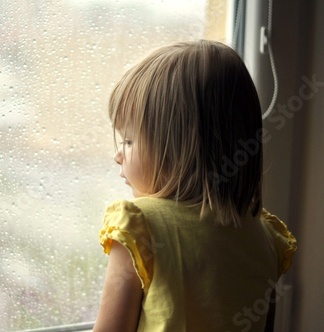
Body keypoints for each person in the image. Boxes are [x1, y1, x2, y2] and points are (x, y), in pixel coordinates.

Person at [93, 40, 297, 332]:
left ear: (177, 147)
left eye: (128, 141)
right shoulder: (265, 237)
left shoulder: (140, 227)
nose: (118, 155)